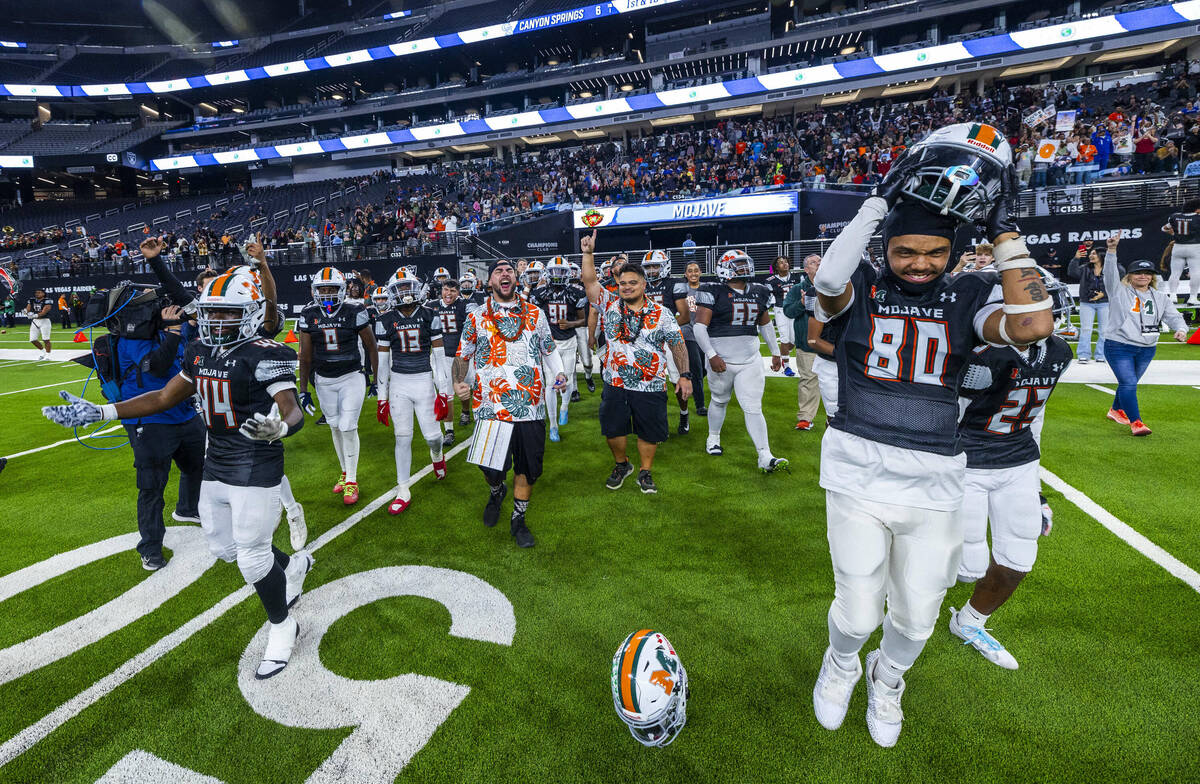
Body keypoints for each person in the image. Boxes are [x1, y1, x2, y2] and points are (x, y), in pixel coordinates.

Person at [809, 123, 1055, 748]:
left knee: (917, 618)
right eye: (905, 252)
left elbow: (1030, 323)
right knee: (859, 607)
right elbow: (827, 282)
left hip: (937, 477)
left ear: (952, 254)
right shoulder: (860, 287)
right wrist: (878, 201)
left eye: (934, 253)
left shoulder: (966, 293)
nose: (920, 264)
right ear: (885, 249)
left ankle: (887, 678)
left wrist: (1002, 228)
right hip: (858, 470)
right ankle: (840, 664)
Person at [42, 269, 313, 679]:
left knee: (253, 557)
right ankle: (293, 567)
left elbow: (290, 407)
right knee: (226, 548)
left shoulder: (266, 352)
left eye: (227, 313)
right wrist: (103, 411)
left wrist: (281, 426)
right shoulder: (199, 349)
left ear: (252, 313)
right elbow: (164, 396)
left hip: (256, 463)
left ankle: (282, 626)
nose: (217, 321)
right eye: (212, 313)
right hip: (216, 461)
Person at [951, 330, 1072, 669]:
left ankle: (970, 622)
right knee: (965, 565)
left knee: (1019, 556)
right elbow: (945, 413)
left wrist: (1035, 488)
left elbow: (1036, 417)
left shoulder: (1058, 351)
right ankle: (906, 619)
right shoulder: (978, 351)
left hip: (1018, 459)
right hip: (967, 459)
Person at [452, 259, 568, 548]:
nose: (504, 274)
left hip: (530, 406)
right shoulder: (477, 316)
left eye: (508, 271)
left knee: (527, 468)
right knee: (491, 468)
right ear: (489, 280)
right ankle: (495, 491)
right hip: (490, 407)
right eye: (497, 271)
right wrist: (458, 382)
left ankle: (519, 519)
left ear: (515, 278)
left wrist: (561, 372)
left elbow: (549, 350)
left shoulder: (535, 313)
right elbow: (462, 355)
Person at [580, 233, 691, 494]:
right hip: (615, 381)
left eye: (632, 283)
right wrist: (587, 254)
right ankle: (622, 464)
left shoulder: (662, 314)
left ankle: (645, 470)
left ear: (643, 285)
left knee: (648, 432)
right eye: (622, 283)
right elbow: (590, 282)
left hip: (651, 384)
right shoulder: (608, 304)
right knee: (612, 430)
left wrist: (684, 374)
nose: (626, 287)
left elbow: (677, 344)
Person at [112, 295, 206, 570]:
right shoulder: (132, 339)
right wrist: (174, 331)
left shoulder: (180, 327)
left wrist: (181, 325)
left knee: (198, 465)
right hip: (149, 419)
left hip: (184, 413)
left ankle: (188, 508)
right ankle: (150, 547)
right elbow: (157, 364)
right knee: (152, 487)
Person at [693, 249, 787, 473]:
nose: (744, 268)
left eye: (745, 263)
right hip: (722, 359)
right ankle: (713, 437)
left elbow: (764, 324)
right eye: (738, 264)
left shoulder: (760, 291)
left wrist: (775, 352)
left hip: (750, 359)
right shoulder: (712, 290)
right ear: (724, 268)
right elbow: (699, 327)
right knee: (719, 400)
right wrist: (711, 354)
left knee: (753, 406)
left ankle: (765, 455)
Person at [296, 267, 379, 505]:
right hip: (323, 379)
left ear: (342, 289)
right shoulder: (309, 313)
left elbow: (371, 346)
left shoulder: (355, 309)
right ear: (315, 291)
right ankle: (344, 473)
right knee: (334, 426)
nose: (327, 293)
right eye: (323, 289)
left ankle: (352, 480)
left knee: (347, 426)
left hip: (351, 376)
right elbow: (305, 356)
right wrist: (303, 390)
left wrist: (373, 379)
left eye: (332, 288)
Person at [375, 268, 449, 514]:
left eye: (408, 287)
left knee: (433, 437)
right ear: (393, 292)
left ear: (417, 288)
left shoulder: (430, 314)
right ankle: (403, 488)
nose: (405, 293)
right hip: (399, 384)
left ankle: (436, 454)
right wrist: (382, 397)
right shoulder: (385, 319)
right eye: (400, 288)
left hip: (424, 381)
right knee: (402, 436)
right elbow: (383, 363)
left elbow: (438, 358)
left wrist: (443, 392)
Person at [1100, 236, 1189, 435]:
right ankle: (1137, 423)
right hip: (1119, 345)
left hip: (1147, 348)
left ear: (1152, 277)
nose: (1143, 276)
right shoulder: (1118, 291)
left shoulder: (1160, 297)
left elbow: (1173, 316)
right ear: (1129, 276)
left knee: (1128, 383)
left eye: (1147, 273)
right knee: (1129, 383)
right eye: (1138, 273)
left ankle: (1115, 410)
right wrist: (1112, 251)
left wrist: (1181, 329)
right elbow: (1109, 274)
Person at [528, 258, 588, 441]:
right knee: (550, 384)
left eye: (561, 272)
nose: (558, 276)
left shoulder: (575, 292)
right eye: (554, 271)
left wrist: (570, 323)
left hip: (569, 341)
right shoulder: (539, 293)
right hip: (549, 344)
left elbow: (583, 320)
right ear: (548, 272)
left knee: (567, 379)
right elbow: (533, 318)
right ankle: (553, 425)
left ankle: (564, 407)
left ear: (568, 273)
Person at [640, 250, 692, 435]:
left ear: (665, 266)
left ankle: (684, 413)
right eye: (648, 267)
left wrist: (661, 330)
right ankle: (655, 420)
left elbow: (685, 316)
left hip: (668, 341)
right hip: (644, 342)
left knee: (677, 379)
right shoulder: (640, 285)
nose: (652, 270)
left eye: (655, 266)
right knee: (647, 382)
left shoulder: (674, 284)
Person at [780, 254, 822, 430]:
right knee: (808, 380)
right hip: (808, 343)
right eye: (814, 262)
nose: (819, 264)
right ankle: (805, 417)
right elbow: (788, 311)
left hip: (832, 342)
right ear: (806, 269)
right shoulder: (798, 288)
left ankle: (837, 416)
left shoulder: (835, 285)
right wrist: (802, 303)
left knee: (837, 380)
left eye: (821, 262)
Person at [429, 278, 471, 447]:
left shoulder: (465, 304)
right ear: (442, 290)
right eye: (446, 290)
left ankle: (466, 412)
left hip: (462, 355)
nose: (449, 294)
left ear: (458, 292)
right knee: (446, 392)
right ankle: (449, 431)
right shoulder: (431, 306)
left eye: (453, 291)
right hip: (442, 356)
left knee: (467, 385)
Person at [1068, 244, 1108, 363]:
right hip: (1087, 303)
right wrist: (1076, 258)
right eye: (1091, 253)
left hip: (1105, 302)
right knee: (1086, 329)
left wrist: (1104, 294)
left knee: (1104, 330)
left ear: (1102, 255)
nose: (1091, 255)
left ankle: (1101, 354)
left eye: (1094, 253)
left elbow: (1117, 284)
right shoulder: (1085, 267)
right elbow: (1072, 273)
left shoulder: (1113, 268)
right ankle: (1083, 354)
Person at [678, 261, 708, 416]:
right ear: (685, 274)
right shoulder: (681, 291)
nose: (693, 273)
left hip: (705, 333)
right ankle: (700, 405)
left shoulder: (707, 289)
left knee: (704, 369)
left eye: (696, 270)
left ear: (700, 272)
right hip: (688, 333)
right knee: (697, 368)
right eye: (690, 271)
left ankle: (687, 378)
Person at [765, 256, 802, 377]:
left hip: (795, 309)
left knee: (794, 340)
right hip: (780, 310)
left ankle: (783, 355)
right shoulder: (771, 280)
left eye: (786, 261)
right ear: (776, 267)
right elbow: (768, 297)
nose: (784, 264)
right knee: (784, 338)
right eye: (781, 263)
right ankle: (786, 366)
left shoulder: (797, 277)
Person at [1161, 199, 1200, 305]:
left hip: (1178, 247)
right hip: (1195, 247)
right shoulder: (1198, 217)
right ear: (1197, 209)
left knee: (1175, 273)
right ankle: (1192, 298)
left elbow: (1164, 228)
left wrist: (1174, 234)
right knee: (1196, 273)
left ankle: (1173, 296)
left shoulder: (1174, 216)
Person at [569, 261, 596, 395]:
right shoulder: (561, 290)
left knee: (587, 360)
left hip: (582, 327)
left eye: (573, 270)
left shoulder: (585, 288)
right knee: (571, 361)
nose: (571, 273)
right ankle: (574, 389)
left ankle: (588, 376)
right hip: (567, 329)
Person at [25, 288, 53, 359]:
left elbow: (44, 311)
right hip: (35, 322)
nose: (37, 294)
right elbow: (27, 309)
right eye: (36, 292)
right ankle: (43, 352)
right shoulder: (32, 300)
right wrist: (25, 312)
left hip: (44, 321)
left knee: (46, 339)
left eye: (39, 292)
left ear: (43, 293)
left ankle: (48, 355)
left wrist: (34, 315)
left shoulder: (47, 300)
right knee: (32, 339)